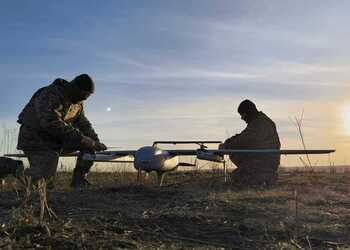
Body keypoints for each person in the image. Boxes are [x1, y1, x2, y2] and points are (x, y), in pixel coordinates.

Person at [16, 74, 107, 188]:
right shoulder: (50, 94)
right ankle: (13, 168)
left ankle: (79, 181)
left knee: (89, 147)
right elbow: (50, 122)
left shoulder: (77, 103)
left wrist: (95, 141)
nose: (83, 99)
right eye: (82, 96)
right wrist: (82, 139)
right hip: (35, 138)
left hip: (57, 139)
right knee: (43, 184)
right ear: (75, 88)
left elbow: (83, 123)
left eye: (86, 97)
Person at [219, 99, 280, 186]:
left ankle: (266, 177)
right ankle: (264, 177)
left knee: (235, 179)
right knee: (235, 178)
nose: (242, 118)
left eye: (243, 115)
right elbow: (243, 136)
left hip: (264, 163)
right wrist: (228, 142)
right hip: (262, 161)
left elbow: (244, 140)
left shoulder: (260, 124)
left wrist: (226, 146)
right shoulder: (259, 122)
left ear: (248, 112)